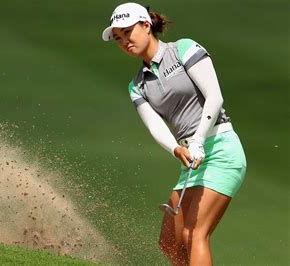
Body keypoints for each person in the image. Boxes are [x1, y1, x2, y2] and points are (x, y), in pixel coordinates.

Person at [101, 3, 247, 265]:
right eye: (118, 38)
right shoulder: (137, 86)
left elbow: (215, 97)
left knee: (194, 234)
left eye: (127, 32)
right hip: (190, 158)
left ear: (146, 25)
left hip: (221, 149)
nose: (124, 42)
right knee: (169, 241)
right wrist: (176, 149)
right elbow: (155, 126)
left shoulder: (183, 50)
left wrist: (199, 141)